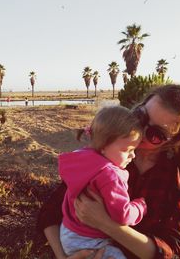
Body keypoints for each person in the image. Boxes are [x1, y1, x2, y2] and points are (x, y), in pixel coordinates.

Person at [37, 79, 180, 259]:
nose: (141, 130)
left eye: (155, 134)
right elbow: (50, 214)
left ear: (176, 141)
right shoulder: (106, 154)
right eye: (141, 116)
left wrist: (107, 224)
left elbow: (170, 251)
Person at [59, 106, 146, 259]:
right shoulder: (110, 175)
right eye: (127, 149)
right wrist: (140, 206)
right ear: (104, 145)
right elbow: (122, 215)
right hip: (88, 240)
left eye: (135, 149)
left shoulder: (81, 158)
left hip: (68, 231)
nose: (133, 155)